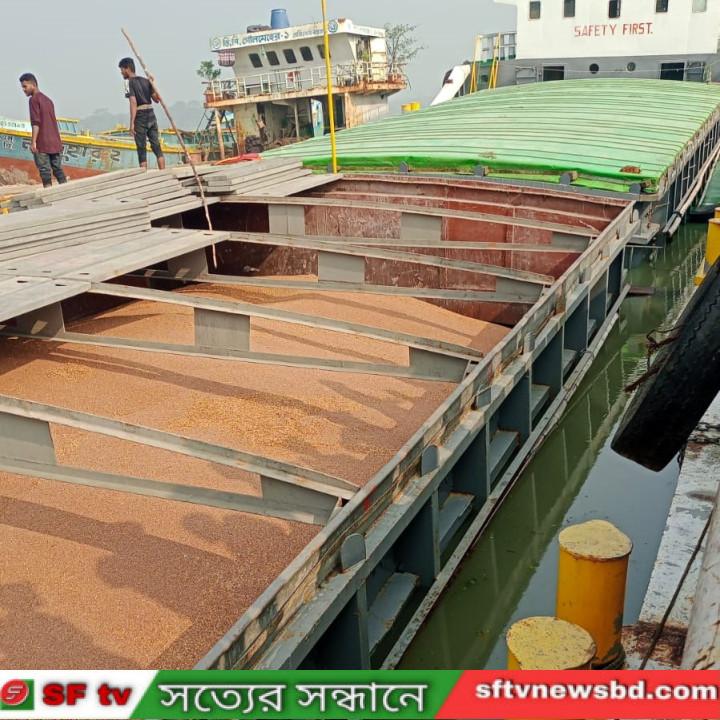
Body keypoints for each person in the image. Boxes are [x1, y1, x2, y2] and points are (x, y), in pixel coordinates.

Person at [19, 73, 67, 188]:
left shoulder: (33, 100)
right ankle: (67, 191)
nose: (23, 89)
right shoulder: (48, 100)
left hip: (42, 143)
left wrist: (33, 142)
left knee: (45, 171)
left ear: (33, 85)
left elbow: (36, 123)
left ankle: (48, 194)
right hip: (55, 142)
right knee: (58, 170)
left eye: (25, 86)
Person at [118, 58, 165, 170]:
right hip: (151, 114)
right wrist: (152, 84)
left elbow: (133, 102)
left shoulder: (129, 82)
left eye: (122, 69)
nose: (121, 72)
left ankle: (144, 174)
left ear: (127, 69)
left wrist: (132, 124)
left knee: (141, 149)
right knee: (156, 146)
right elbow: (157, 100)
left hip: (140, 116)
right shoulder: (145, 81)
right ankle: (163, 172)